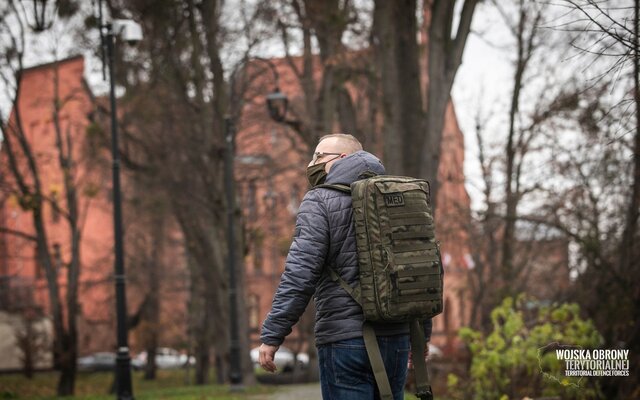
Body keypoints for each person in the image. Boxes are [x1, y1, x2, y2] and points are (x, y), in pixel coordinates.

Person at [258, 133, 432, 400]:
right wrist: (421, 335)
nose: (311, 163)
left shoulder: (320, 200)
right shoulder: (400, 196)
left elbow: (300, 273)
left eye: (319, 156)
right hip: (397, 336)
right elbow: (419, 266)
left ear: (342, 158)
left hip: (344, 340)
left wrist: (273, 335)